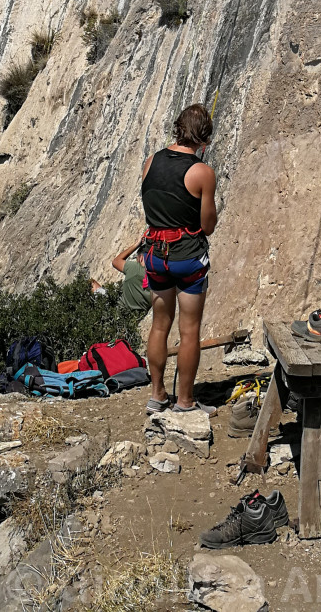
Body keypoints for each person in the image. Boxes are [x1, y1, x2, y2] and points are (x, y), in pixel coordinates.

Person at [140, 102, 217, 413]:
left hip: (155, 255)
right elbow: (207, 225)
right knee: (189, 330)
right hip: (187, 258)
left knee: (160, 325)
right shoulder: (202, 172)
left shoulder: (150, 162)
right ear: (205, 139)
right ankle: (185, 401)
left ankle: (157, 395)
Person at [110, 237, 152, 336]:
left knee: (91, 284)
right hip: (138, 316)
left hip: (118, 312)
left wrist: (136, 244)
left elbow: (115, 262)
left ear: (140, 258)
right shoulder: (158, 276)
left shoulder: (134, 268)